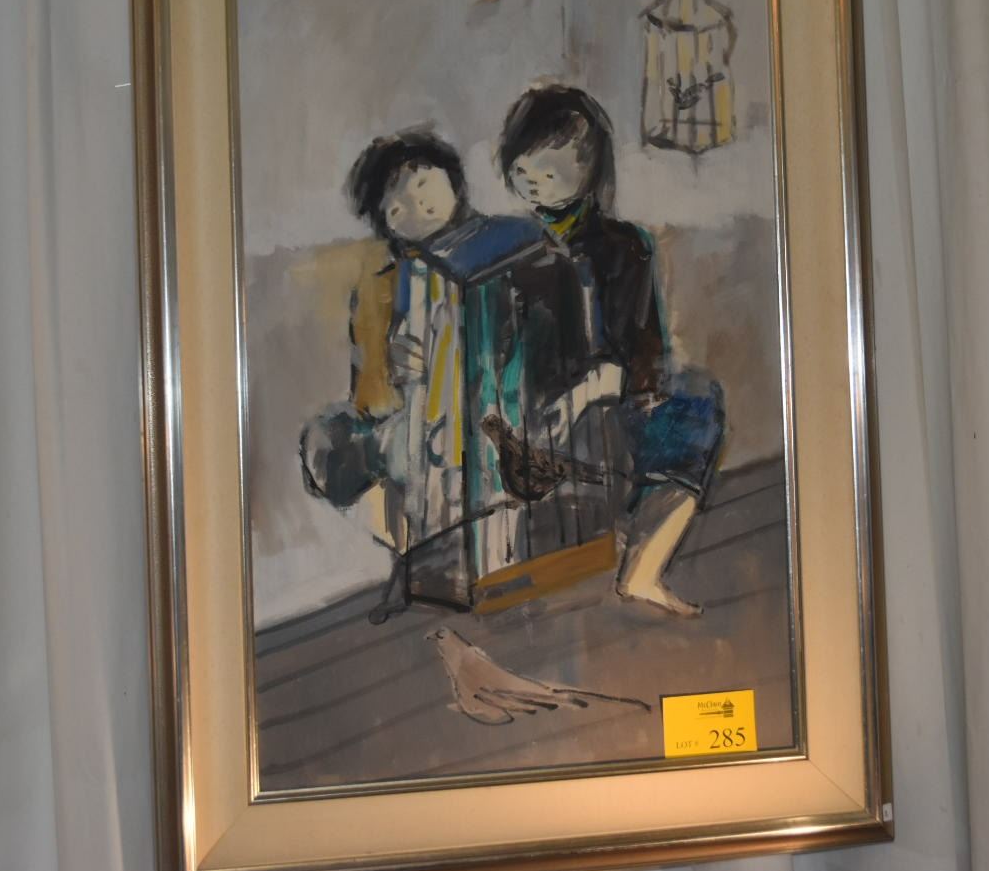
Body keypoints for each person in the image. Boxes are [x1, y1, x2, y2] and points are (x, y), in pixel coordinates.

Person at [496, 84, 725, 617]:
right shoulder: (510, 255)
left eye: (548, 172)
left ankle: (644, 567)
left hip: (611, 405)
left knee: (696, 400)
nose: (533, 184)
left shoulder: (625, 246)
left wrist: (594, 389)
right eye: (523, 172)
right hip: (530, 419)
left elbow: (644, 359)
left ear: (589, 170)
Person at [300, 130, 544, 621]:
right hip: (423, 425)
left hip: (505, 416)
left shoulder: (514, 242)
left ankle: (437, 557)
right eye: (397, 204)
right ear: (388, 223)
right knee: (330, 441)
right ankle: (416, 552)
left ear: (453, 181)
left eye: (423, 184)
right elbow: (370, 396)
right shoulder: (387, 284)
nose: (417, 204)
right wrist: (394, 367)